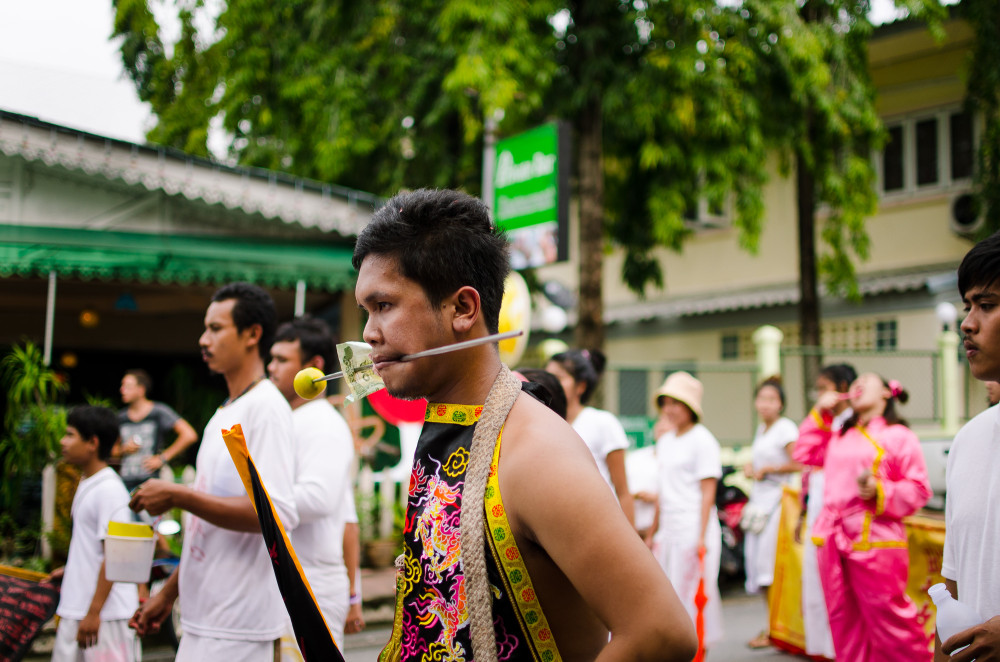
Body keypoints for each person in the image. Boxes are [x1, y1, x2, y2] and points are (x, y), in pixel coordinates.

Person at [354, 188, 697, 660]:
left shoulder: (537, 453)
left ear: (463, 309)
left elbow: (661, 632)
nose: (369, 334)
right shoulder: (450, 424)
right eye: (366, 311)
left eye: (384, 305)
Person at [128, 282, 299, 661]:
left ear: (252, 334)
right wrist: (169, 594)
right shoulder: (225, 412)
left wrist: (177, 495)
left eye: (216, 328)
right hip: (202, 618)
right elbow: (205, 531)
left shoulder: (266, 409)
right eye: (206, 328)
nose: (203, 340)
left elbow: (276, 514)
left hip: (238, 627)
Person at [796, 372, 931, 662]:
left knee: (890, 620)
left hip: (877, 540)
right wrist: (820, 413)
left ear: (886, 392)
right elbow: (803, 452)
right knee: (844, 621)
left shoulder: (899, 435)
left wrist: (880, 490)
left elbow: (919, 489)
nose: (858, 383)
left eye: (866, 380)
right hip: (833, 539)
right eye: (855, 381)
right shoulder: (839, 434)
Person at [267, 315, 359, 647]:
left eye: (282, 360)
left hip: (311, 585)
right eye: (272, 358)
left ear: (314, 365)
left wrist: (247, 501)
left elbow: (319, 500)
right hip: (290, 582)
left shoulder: (322, 424)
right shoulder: (293, 420)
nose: (271, 368)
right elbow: (349, 519)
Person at [936, 231, 1000, 661]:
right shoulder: (969, 439)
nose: (967, 322)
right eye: (967, 306)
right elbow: (952, 594)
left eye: (988, 305)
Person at [49, 405, 140, 662]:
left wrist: (94, 612)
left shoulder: (109, 490)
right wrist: (72, 569)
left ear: (92, 443)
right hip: (81, 610)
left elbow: (117, 554)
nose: (62, 441)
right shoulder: (89, 481)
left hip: (104, 617)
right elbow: (94, 548)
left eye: (70, 435)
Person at [649, 370, 724, 650]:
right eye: (666, 402)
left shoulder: (703, 440)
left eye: (675, 403)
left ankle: (696, 649)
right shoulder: (666, 441)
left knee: (693, 591)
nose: (669, 409)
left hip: (694, 526)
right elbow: (662, 490)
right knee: (670, 592)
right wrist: (653, 532)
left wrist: (701, 536)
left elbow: (708, 493)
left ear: (690, 407)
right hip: (669, 530)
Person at [793, 362, 857, 661]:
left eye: (823, 388)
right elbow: (804, 454)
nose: (818, 395)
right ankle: (828, 651)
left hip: (847, 522)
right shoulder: (825, 422)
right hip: (820, 518)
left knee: (843, 590)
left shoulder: (857, 424)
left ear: (842, 388)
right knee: (818, 589)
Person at [742, 376, 801, 649]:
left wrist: (770, 470)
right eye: (762, 398)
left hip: (777, 506)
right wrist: (752, 470)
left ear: (781, 404)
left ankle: (777, 628)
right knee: (758, 567)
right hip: (759, 505)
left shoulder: (785, 428)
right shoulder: (761, 430)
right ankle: (772, 625)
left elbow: (800, 463)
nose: (765, 404)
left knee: (770, 567)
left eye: (772, 399)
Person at [546, 348, 636, 525]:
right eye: (548, 377)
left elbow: (623, 492)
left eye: (559, 378)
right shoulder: (545, 423)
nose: (551, 384)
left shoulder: (602, 423)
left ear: (581, 386)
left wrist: (633, 544)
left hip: (601, 525)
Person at [114, 369, 198, 492]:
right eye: (122, 386)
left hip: (151, 482)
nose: (122, 390)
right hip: (125, 483)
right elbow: (113, 451)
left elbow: (189, 435)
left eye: (127, 386)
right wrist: (124, 449)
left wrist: (162, 458)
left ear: (141, 389)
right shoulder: (121, 417)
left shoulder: (158, 412)